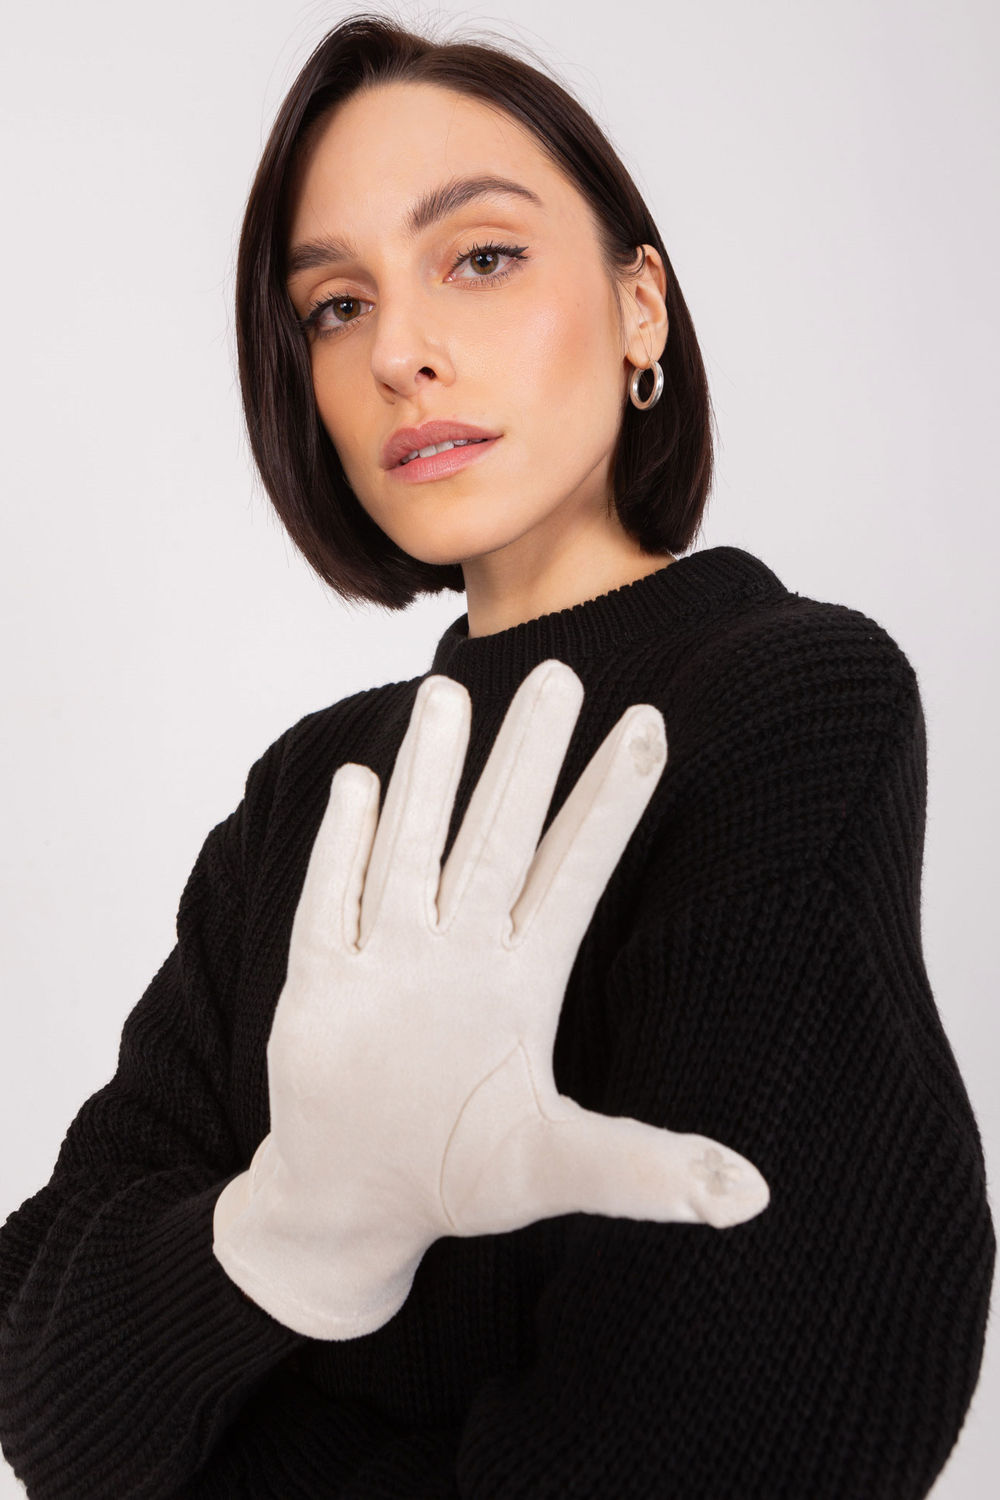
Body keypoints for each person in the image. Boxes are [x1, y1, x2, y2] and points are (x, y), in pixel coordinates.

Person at [0, 11, 993, 1497]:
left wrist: (242, 1421)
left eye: (479, 256)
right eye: (337, 304)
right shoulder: (308, 794)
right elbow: (47, 1381)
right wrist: (295, 1235)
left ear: (641, 306)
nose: (400, 352)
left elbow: (743, 1441)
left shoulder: (783, 703)